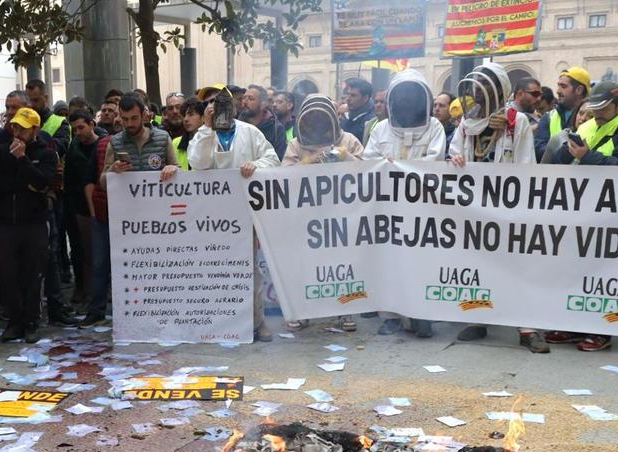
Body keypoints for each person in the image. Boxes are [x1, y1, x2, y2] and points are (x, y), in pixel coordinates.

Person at [544, 81, 618, 353]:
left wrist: (588, 156)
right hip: (580, 212)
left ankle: (601, 330)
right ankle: (572, 325)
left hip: (613, 215)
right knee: (574, 270)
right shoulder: (588, 126)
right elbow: (557, 163)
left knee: (605, 275)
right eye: (596, 108)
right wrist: (568, 153)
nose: (598, 113)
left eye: (604, 108)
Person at [448, 63, 546, 353]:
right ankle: (479, 319)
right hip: (474, 208)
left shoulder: (517, 122)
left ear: (498, 91)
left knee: (517, 266)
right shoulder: (467, 124)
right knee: (478, 264)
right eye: (475, 89)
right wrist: (453, 161)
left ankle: (526, 327)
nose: (477, 95)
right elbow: (456, 154)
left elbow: (527, 166)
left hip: (508, 208)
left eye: (483, 89)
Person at [188, 87, 280, 342]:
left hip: (244, 215)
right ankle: (220, 323)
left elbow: (272, 160)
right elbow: (198, 164)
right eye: (215, 107)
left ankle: (257, 322)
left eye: (225, 107)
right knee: (215, 271)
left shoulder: (250, 132)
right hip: (212, 217)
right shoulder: (203, 134)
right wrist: (207, 128)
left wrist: (256, 165)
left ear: (235, 108)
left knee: (249, 270)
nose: (222, 112)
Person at [83, 93, 180, 327]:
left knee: (155, 266)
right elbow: (103, 181)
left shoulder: (162, 138)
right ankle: (107, 312)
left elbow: (177, 169)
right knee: (113, 265)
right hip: (125, 219)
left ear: (145, 114)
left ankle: (159, 311)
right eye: (125, 119)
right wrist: (114, 171)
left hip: (156, 219)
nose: (129, 124)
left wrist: (170, 170)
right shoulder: (115, 142)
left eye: (134, 118)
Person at [362, 69, 446, 338]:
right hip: (388, 209)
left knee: (422, 262)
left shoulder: (434, 127)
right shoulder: (381, 129)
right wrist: (384, 167)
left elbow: (435, 162)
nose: (408, 101)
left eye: (413, 96)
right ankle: (391, 317)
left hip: (423, 206)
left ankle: (422, 315)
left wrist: (401, 170)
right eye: (403, 96)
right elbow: (368, 161)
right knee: (389, 262)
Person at [280, 94, 365, 333]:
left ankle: (345, 311)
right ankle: (300, 311)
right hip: (306, 214)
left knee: (343, 264)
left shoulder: (348, 140)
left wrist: (342, 154)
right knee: (304, 264)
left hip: (341, 211)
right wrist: (312, 159)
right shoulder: (296, 144)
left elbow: (367, 169)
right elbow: (285, 174)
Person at [0, 107, 59, 343]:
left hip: (35, 223)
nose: (16, 131)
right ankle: (14, 322)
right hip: (6, 223)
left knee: (34, 274)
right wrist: (26, 184)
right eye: (14, 126)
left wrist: (23, 161)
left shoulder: (46, 153)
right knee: (7, 274)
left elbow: (43, 182)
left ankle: (31, 322)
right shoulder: (0, 152)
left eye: (22, 128)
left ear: (35, 130)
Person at [64, 108, 105, 307]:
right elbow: (69, 180)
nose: (78, 132)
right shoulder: (73, 148)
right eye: (74, 129)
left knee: (98, 254)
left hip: (101, 208)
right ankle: (83, 288)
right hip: (78, 208)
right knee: (81, 252)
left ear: (91, 124)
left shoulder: (104, 145)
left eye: (81, 127)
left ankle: (98, 292)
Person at [534, 67, 590, 161]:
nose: (558, 91)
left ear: (579, 90)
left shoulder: (596, 118)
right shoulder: (548, 117)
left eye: (563, 86)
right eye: (558, 86)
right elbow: (538, 151)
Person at [25, 79, 71, 155]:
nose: (31, 104)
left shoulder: (61, 123)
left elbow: (60, 148)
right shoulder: (22, 120)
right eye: (29, 100)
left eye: (36, 100)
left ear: (45, 98)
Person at [242, 84, 288, 160]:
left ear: (263, 104)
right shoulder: (235, 125)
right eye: (244, 98)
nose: (245, 102)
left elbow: (277, 160)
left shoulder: (276, 129)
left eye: (251, 98)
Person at [341, 77, 377, 144]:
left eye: (353, 95)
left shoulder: (372, 123)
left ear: (365, 98)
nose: (348, 99)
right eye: (348, 94)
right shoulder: (344, 117)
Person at [173, 99, 205, 169]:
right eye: (184, 115)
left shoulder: (213, 140)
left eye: (191, 114)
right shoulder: (175, 143)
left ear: (203, 117)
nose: (185, 119)